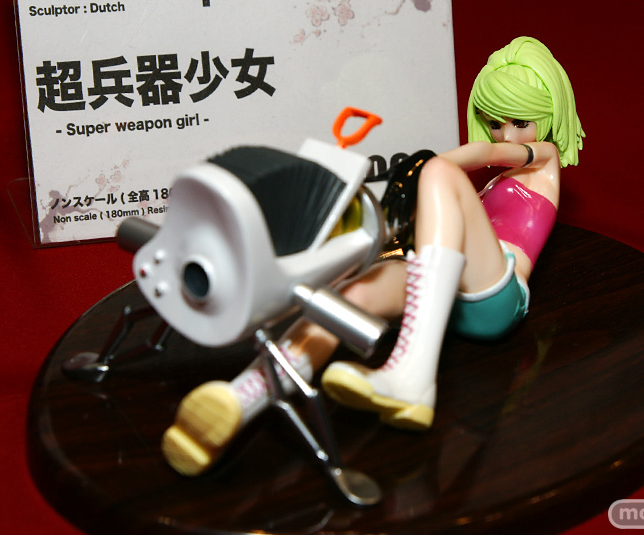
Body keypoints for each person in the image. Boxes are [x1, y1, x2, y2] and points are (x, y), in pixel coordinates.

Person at [162, 36, 585, 476]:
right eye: (495, 122)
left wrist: (432, 165)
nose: (507, 133)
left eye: (520, 121)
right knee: (351, 296)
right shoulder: (493, 187)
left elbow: (490, 152)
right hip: (449, 294)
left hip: (499, 298)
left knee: (438, 173)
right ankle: (244, 396)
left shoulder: (545, 159)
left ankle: (412, 376)